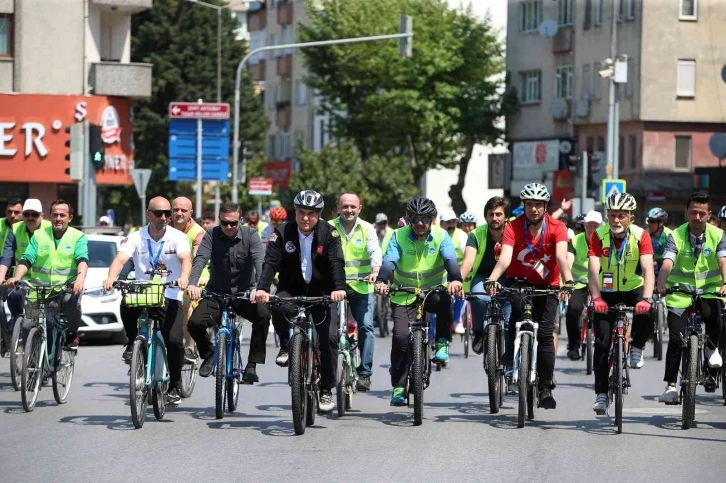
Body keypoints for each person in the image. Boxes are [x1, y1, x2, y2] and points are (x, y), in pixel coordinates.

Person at [252, 190, 346, 413]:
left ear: (319, 214)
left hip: (323, 293)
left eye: (311, 214)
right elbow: (270, 263)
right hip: (291, 289)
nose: (306, 218)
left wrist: (339, 289)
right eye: (302, 213)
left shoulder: (329, 233)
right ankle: (286, 345)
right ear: (295, 212)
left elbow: (336, 263)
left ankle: (325, 389)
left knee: (329, 340)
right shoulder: (282, 232)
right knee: (276, 302)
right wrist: (262, 288)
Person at [484, 183, 574, 410]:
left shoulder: (557, 227)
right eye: (530, 204)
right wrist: (493, 279)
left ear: (545, 206)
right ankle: (510, 356)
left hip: (548, 285)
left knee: (545, 334)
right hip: (519, 282)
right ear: (524, 205)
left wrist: (568, 281)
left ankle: (545, 388)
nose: (534, 209)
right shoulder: (512, 227)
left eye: (539, 205)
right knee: (514, 312)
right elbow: (505, 258)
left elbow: (562, 257)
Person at [103, 196, 191, 406]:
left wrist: (184, 277)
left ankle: (175, 385)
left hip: (169, 293)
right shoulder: (136, 237)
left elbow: (185, 259)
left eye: (167, 214)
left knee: (174, 340)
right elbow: (120, 259)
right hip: (143, 292)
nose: (164, 218)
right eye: (158, 213)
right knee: (126, 304)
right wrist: (111, 277)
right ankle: (133, 342)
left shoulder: (177, 237)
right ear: (148, 214)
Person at [375, 197, 463, 406]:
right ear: (409, 219)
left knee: (445, 300)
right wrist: (381, 280)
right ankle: (398, 386)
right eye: (415, 219)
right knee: (400, 338)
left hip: (432, 292)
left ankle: (442, 342)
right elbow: (389, 261)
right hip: (403, 294)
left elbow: (450, 259)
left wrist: (455, 279)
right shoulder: (398, 236)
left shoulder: (442, 236)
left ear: (432, 219)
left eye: (424, 219)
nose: (419, 223)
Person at [187, 203, 270, 383]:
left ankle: (252, 365)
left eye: (233, 223)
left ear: (240, 220)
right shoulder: (212, 234)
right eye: (225, 223)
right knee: (194, 323)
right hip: (216, 294)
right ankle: (209, 355)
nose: (229, 227)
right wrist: (192, 283)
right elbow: (200, 260)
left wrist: (259, 287)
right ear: (220, 220)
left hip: (244, 295)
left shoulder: (251, 235)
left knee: (263, 315)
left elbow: (259, 261)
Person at [588, 192, 655, 414]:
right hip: (606, 292)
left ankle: (636, 346)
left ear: (631, 217)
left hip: (632, 288)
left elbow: (647, 269)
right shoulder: (598, 235)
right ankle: (601, 394)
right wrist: (596, 297)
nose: (616, 220)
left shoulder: (641, 235)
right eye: (612, 215)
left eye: (621, 216)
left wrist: (646, 298)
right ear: (607, 215)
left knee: (648, 311)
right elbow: (593, 269)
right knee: (602, 343)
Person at [656, 192, 725, 403]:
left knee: (716, 320)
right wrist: (661, 282)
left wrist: (725, 283)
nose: (697, 217)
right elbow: (668, 261)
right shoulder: (675, 236)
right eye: (693, 212)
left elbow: (723, 260)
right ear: (686, 213)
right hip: (679, 293)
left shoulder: (719, 235)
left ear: (708, 215)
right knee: (676, 340)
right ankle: (670, 386)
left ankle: (711, 355)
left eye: (702, 213)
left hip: (710, 291)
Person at [6, 200, 88, 350]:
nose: (58, 218)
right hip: (38, 291)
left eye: (62, 215)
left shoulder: (78, 236)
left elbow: (82, 259)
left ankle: (71, 334)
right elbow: (26, 259)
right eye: (55, 215)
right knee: (26, 326)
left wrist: (80, 279)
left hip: (63, 289)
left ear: (69, 218)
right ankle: (30, 363)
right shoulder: (39, 235)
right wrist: (17, 277)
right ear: (49, 217)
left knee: (64, 311)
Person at [330, 192, 382, 392]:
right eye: (345, 206)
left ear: (359, 209)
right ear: (338, 208)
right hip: (335, 289)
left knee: (367, 327)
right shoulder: (328, 227)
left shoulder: (367, 228)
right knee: (326, 330)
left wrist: (376, 271)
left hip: (361, 287)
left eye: (353, 207)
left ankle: (364, 374)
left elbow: (374, 252)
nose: (349, 210)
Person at [460, 196, 511, 355]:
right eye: (491, 214)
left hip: (509, 277)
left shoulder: (514, 232)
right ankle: (479, 331)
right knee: (477, 297)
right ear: (486, 216)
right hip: (482, 276)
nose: (494, 218)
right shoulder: (476, 234)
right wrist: (457, 282)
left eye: (498, 214)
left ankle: (510, 355)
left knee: (510, 319)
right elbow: (468, 262)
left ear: (506, 216)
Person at [2, 199, 52, 322]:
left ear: (42, 216)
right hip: (21, 278)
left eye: (34, 214)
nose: (30, 217)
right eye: (26, 214)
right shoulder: (15, 229)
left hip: (43, 279)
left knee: (36, 319)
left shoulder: (50, 229)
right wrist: (1, 276)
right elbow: (7, 255)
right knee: (13, 295)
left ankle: (35, 332)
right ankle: (16, 322)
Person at [170, 197, 207, 364]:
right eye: (176, 209)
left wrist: (192, 281)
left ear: (191, 213)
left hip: (195, 276)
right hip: (170, 275)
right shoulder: (163, 225)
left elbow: (197, 260)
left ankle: (190, 349)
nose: (179, 213)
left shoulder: (198, 232)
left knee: (186, 305)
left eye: (183, 210)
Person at [565, 210, 602, 360]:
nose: (592, 229)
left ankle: (603, 344)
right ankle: (574, 345)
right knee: (573, 309)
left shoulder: (607, 241)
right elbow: (568, 261)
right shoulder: (575, 241)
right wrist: (567, 282)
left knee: (604, 312)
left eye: (595, 226)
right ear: (584, 225)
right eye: (589, 225)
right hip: (579, 283)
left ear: (601, 226)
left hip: (598, 283)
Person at [439, 208, 468, 334]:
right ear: (441, 223)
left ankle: (458, 320)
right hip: (440, 272)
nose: (451, 225)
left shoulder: (461, 235)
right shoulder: (436, 234)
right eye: (448, 222)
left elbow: (465, 252)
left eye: (453, 222)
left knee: (460, 292)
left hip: (458, 270)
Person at [0, 198, 23, 353]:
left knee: (17, 304)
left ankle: (15, 334)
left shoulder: (27, 226)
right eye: (10, 212)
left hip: (20, 274)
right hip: (2, 272)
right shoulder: (1, 225)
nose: (13, 215)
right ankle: (6, 338)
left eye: (17, 212)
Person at [646, 207, 671, 277]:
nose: (649, 224)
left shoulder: (669, 235)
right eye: (648, 221)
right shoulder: (646, 234)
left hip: (667, 267)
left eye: (652, 221)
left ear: (661, 222)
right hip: (652, 268)